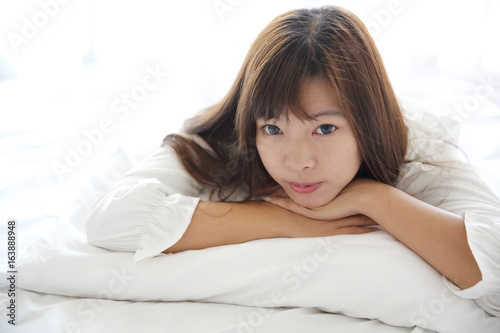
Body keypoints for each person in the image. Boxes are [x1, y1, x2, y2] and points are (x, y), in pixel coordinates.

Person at [85, 6, 500, 316]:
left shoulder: (416, 144)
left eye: (324, 130)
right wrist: (285, 220)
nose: (298, 161)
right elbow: (111, 220)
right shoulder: (225, 139)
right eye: (273, 129)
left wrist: (374, 198)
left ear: (367, 123)